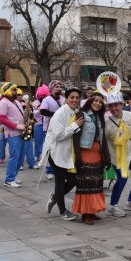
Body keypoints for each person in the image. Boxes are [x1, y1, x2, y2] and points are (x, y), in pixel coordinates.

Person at [42, 87, 84, 221]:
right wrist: (75, 126)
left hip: (68, 152)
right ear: (66, 99)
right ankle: (63, 212)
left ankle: (55, 197)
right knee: (60, 182)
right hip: (55, 151)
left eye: (77, 98)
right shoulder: (60, 113)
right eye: (72, 97)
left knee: (72, 180)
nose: (74, 100)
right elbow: (59, 135)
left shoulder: (76, 112)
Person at [105, 92, 131, 216]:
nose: (113, 108)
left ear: (122, 104)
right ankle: (113, 206)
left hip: (130, 154)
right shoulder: (107, 123)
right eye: (110, 106)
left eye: (116, 105)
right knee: (122, 178)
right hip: (116, 156)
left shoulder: (130, 116)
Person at [72, 91, 110, 224]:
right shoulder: (81, 114)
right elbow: (75, 136)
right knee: (85, 183)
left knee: (96, 182)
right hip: (85, 152)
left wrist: (107, 157)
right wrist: (77, 157)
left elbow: (103, 138)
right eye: (96, 101)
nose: (98, 103)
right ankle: (85, 213)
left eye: (100, 102)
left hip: (97, 153)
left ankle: (92, 210)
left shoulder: (100, 117)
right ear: (90, 101)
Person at [0, 82, 26, 188]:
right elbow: (1, 118)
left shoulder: (15, 102)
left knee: (20, 156)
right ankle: (9, 180)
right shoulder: (3, 102)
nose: (16, 91)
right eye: (13, 90)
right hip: (13, 133)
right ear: (8, 90)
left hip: (21, 132)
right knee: (14, 156)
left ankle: (14, 176)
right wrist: (16, 126)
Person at [40, 80, 66, 180]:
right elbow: (42, 111)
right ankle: (49, 170)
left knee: (59, 149)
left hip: (61, 127)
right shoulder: (47, 99)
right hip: (49, 128)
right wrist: (55, 115)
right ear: (51, 89)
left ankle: (59, 169)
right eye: (56, 86)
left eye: (60, 86)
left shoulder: (63, 99)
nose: (58, 88)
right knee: (50, 149)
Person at [17, 91, 36, 170]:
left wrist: (31, 121)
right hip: (20, 127)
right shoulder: (18, 105)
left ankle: (31, 163)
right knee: (21, 148)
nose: (27, 100)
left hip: (28, 127)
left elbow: (32, 116)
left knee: (29, 146)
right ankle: (20, 164)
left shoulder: (30, 106)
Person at [33, 84, 50, 163]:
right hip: (39, 124)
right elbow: (35, 113)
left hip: (47, 124)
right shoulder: (35, 103)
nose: (42, 97)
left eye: (44, 95)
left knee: (46, 141)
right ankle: (37, 155)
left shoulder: (47, 101)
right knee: (38, 141)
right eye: (41, 95)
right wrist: (40, 110)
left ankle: (44, 155)